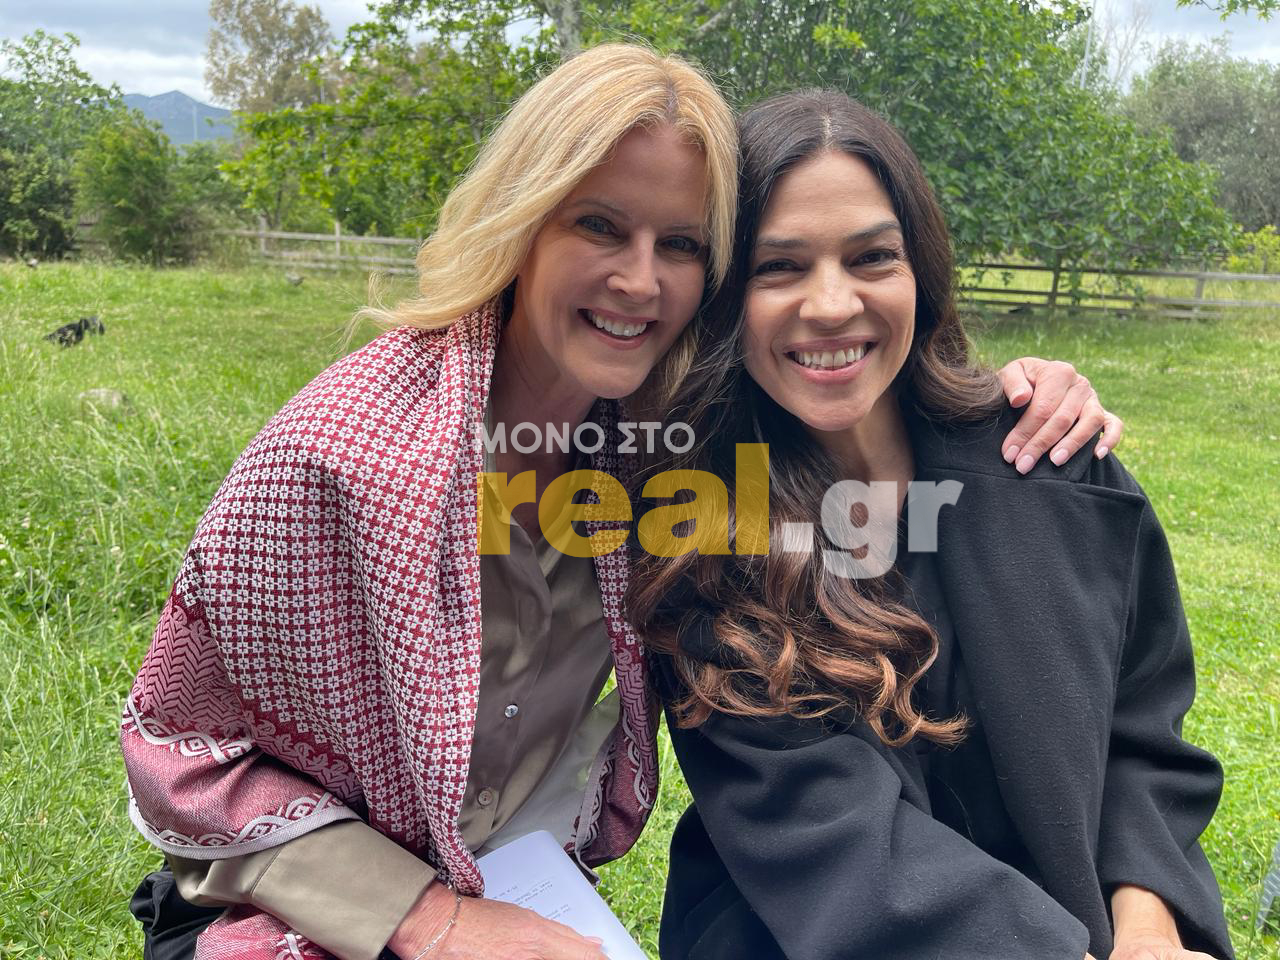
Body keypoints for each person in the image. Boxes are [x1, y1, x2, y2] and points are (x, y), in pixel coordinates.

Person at [121, 46, 1122, 960]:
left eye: (678, 244)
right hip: (297, 918)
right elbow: (177, 752)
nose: (639, 281)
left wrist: (1011, 394)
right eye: (598, 225)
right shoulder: (341, 457)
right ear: (521, 220)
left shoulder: (653, 452)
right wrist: (430, 921)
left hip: (519, 896)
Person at [628, 89, 1233, 960]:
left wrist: (1150, 931)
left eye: (872, 256)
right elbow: (840, 848)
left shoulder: (1056, 463)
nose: (832, 304)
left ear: (922, 270)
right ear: (725, 298)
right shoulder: (703, 541)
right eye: (779, 266)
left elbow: (1142, 738)